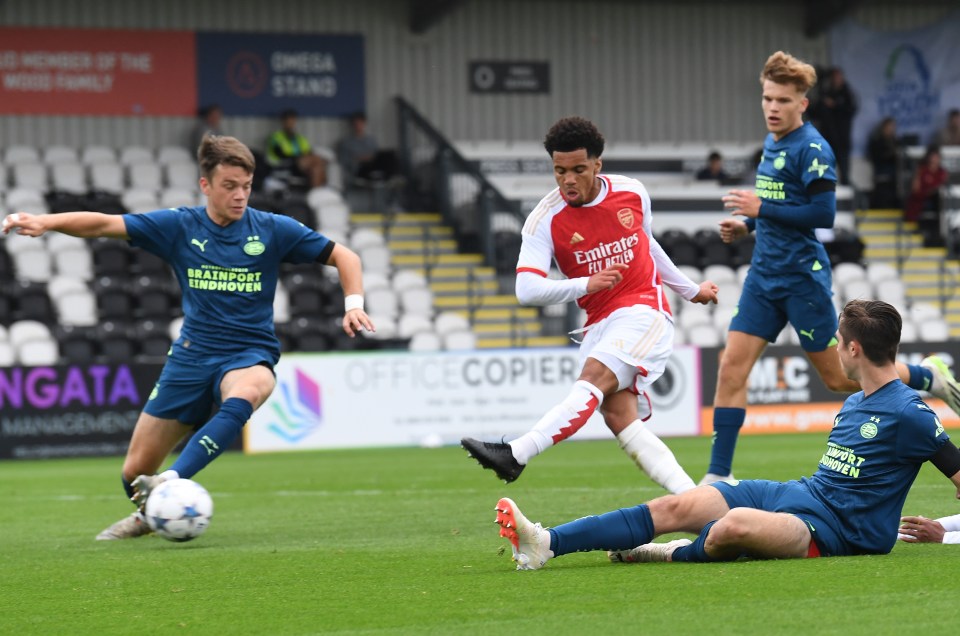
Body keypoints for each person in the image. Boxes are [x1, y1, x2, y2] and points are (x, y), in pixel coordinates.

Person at [2, 134, 375, 540]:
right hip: (191, 357)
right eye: (230, 186)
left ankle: (171, 482)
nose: (240, 196)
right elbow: (104, 224)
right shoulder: (180, 225)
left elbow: (345, 256)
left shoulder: (272, 229)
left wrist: (352, 303)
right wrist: (46, 222)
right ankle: (152, 511)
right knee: (132, 475)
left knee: (250, 390)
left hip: (249, 353)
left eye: (246, 186)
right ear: (206, 185)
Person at [493, 300, 960, 570]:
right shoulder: (855, 401)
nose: (835, 350)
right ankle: (546, 542)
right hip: (803, 494)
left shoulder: (910, 413)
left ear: (854, 348)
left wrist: (947, 535)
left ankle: (667, 554)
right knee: (685, 503)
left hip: (838, 532)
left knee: (731, 528)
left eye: (839, 342)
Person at [702, 52, 960, 486]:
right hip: (763, 278)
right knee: (731, 367)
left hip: (802, 279)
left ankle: (927, 376)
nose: (772, 108)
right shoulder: (771, 142)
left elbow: (821, 214)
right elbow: (781, 208)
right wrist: (747, 224)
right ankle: (717, 476)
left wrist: (760, 207)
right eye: (767, 98)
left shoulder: (813, 148)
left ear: (803, 103)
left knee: (840, 378)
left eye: (783, 100)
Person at [460, 116, 719, 495]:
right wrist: (585, 284)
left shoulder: (631, 193)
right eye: (559, 171)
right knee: (619, 416)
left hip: (645, 310)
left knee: (593, 380)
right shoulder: (543, 220)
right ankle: (699, 503)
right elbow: (526, 289)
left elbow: (646, 243)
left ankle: (517, 452)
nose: (568, 180)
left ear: (597, 165)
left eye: (579, 169)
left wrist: (689, 290)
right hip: (600, 322)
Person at [811, 67, 857, 185]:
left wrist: (835, 105)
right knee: (825, 170)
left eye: (838, 77)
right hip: (827, 138)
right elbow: (814, 113)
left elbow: (851, 109)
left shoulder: (847, 94)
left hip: (842, 139)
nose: (836, 80)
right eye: (834, 77)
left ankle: (846, 192)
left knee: (844, 171)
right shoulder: (824, 93)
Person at [265, 108, 328, 189]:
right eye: (287, 121)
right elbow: (280, 154)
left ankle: (316, 191)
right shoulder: (276, 137)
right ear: (283, 122)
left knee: (316, 168)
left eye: (292, 121)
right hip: (284, 164)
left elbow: (308, 152)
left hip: (300, 164)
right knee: (317, 161)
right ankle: (319, 190)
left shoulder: (300, 138)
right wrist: (299, 157)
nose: (290, 123)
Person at [904, 144, 948, 247]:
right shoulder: (922, 170)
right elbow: (915, 189)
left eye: (937, 157)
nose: (935, 159)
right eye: (933, 156)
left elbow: (944, 186)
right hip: (922, 198)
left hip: (938, 201)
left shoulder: (942, 172)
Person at [866, 117, 902, 209]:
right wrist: (890, 154)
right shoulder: (877, 140)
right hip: (881, 167)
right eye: (889, 127)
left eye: (892, 127)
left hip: (895, 168)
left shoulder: (895, 140)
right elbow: (875, 156)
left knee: (901, 176)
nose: (891, 130)